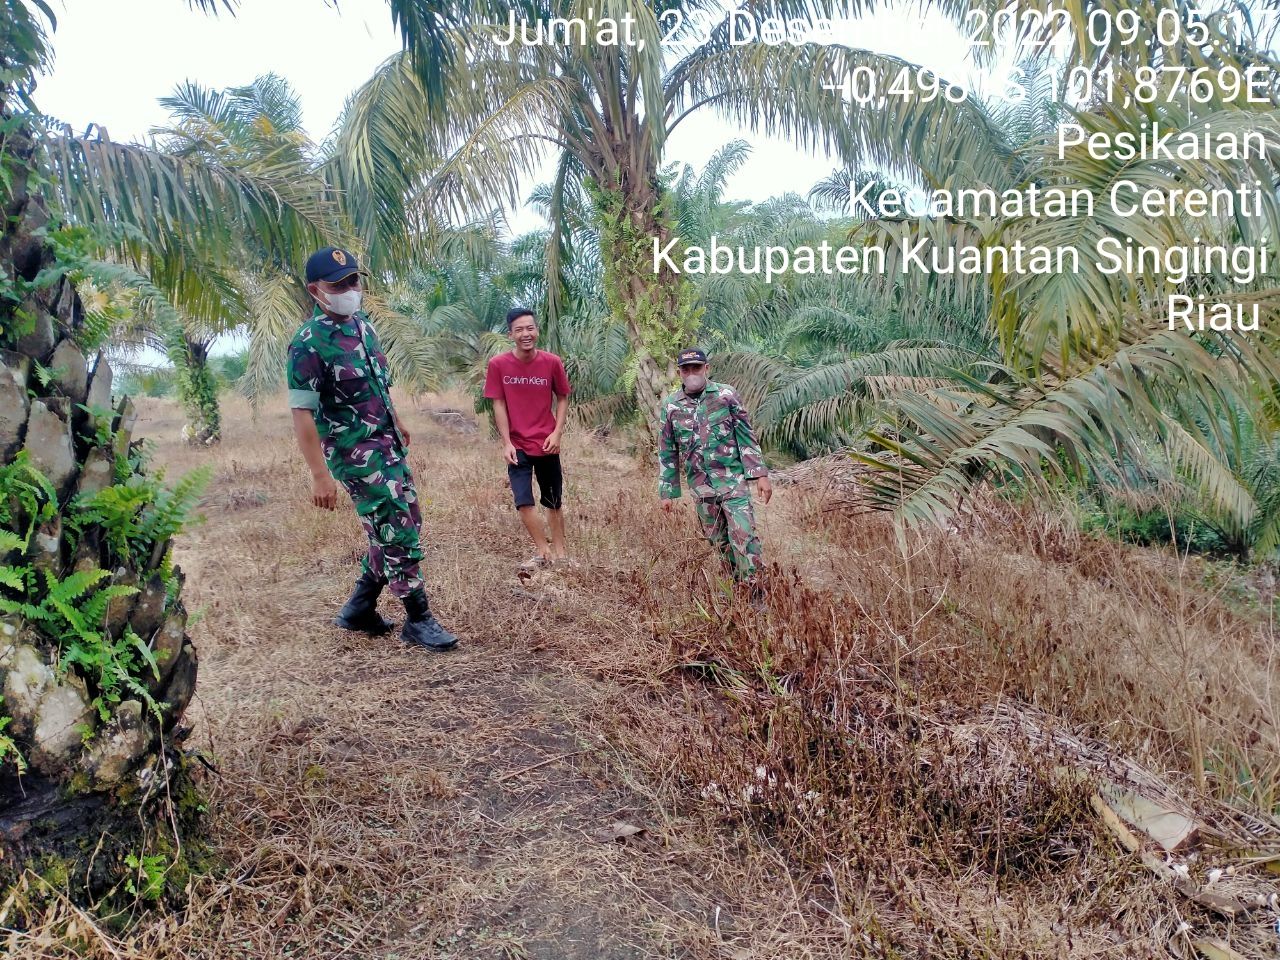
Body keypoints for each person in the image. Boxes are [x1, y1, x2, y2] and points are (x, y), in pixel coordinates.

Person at [286, 246, 458, 651]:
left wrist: (396, 420)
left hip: (386, 442)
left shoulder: (363, 327)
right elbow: (302, 414)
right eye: (338, 284)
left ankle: (359, 608)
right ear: (316, 291)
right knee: (396, 528)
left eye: (353, 281)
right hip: (354, 453)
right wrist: (318, 475)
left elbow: (377, 383)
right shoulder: (308, 344)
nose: (349, 289)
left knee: (407, 521)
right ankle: (418, 619)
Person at [658, 348, 772, 592]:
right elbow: (668, 450)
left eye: (696, 368)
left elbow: (746, 436)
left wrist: (760, 474)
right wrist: (667, 492)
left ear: (706, 369)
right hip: (701, 487)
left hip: (732, 481)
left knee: (744, 535)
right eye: (686, 370)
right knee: (719, 542)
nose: (691, 374)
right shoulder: (671, 406)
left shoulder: (726, 395)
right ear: (679, 373)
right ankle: (736, 589)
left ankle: (756, 591)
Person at [483, 307, 572, 567]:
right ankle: (543, 552)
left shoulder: (552, 362)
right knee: (523, 501)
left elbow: (563, 397)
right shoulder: (498, 365)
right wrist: (507, 442)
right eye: (519, 329)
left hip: (546, 442)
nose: (526, 334)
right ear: (511, 334)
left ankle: (561, 554)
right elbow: (498, 403)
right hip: (517, 445)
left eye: (530, 328)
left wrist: (557, 433)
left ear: (537, 331)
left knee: (553, 500)